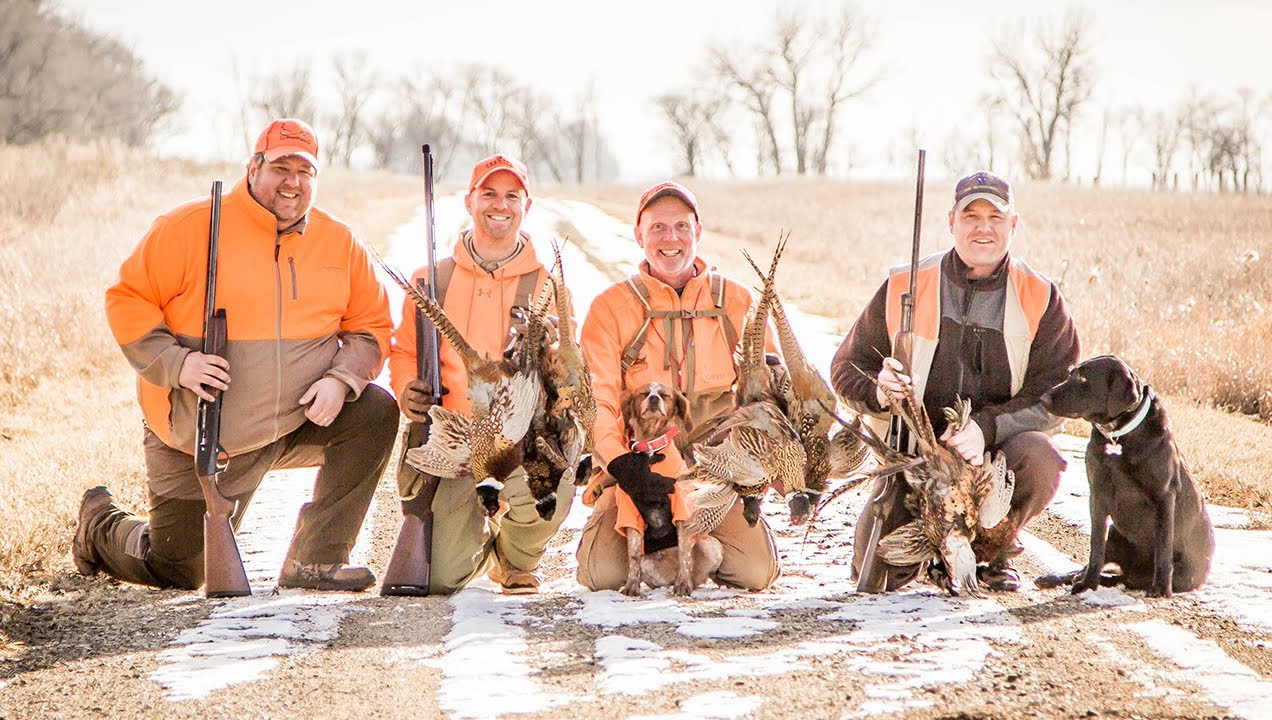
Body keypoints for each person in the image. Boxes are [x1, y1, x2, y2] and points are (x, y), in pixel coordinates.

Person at [78, 118, 398, 592]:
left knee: (374, 410)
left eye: (305, 172)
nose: (293, 182)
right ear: (253, 168)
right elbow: (127, 299)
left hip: (294, 422)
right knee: (181, 569)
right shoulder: (187, 228)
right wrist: (179, 364)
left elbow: (371, 327)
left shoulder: (339, 242)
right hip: (201, 431)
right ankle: (98, 525)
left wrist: (340, 379)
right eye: (280, 168)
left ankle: (316, 559)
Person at [831, 170, 1080, 592]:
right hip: (915, 462)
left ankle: (994, 548)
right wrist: (878, 389)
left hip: (993, 460)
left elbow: (1057, 394)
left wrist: (986, 429)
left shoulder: (1040, 296)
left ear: (1013, 224)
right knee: (877, 575)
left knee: (1038, 456)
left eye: (995, 218)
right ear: (951, 222)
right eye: (970, 216)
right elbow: (845, 367)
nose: (983, 228)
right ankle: (933, 551)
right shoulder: (904, 284)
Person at [575, 181, 781, 592]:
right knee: (604, 576)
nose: (671, 239)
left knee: (755, 574)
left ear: (698, 232)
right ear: (638, 235)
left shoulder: (737, 302)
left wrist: (760, 472)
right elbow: (597, 398)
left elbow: (772, 396)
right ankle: (658, 544)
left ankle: (695, 544)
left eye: (681, 227)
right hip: (638, 472)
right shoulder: (610, 308)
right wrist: (620, 464)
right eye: (657, 228)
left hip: (714, 478)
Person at [390, 153, 573, 595]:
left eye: (512, 195)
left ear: (525, 206)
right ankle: (477, 539)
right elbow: (403, 351)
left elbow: (567, 371)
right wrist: (405, 390)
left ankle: (513, 558)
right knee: (439, 580)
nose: (500, 204)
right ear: (469, 202)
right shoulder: (430, 280)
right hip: (453, 437)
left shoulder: (549, 287)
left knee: (554, 491)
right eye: (489, 193)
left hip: (518, 442)